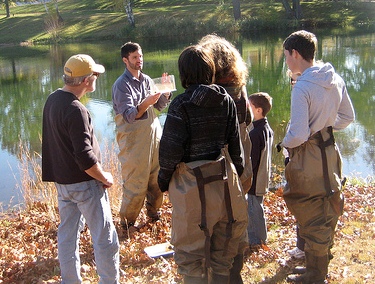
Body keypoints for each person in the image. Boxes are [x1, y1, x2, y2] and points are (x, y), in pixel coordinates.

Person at [158, 45, 248, 284]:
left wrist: (163, 181)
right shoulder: (226, 100)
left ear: (184, 74)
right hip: (222, 181)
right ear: (210, 70)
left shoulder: (181, 105)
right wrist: (237, 174)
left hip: (191, 187)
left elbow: (169, 152)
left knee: (190, 256)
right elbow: (235, 146)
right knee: (222, 252)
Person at [280, 30, 355, 283]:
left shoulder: (303, 87)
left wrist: (284, 144)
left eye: (287, 55)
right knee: (327, 202)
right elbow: (347, 118)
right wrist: (324, 124)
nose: (286, 61)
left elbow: (298, 133)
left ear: (296, 54)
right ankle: (316, 265)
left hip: (309, 155)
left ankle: (315, 273)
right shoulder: (334, 78)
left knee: (310, 206)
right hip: (330, 151)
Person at [42, 54, 120, 283]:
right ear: (86, 80)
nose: (96, 77)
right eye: (94, 74)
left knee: (67, 236)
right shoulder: (76, 109)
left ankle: (70, 280)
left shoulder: (52, 99)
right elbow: (85, 158)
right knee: (105, 238)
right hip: (85, 185)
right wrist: (104, 176)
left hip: (63, 184)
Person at [198, 34, 252, 284]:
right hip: (241, 156)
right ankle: (234, 274)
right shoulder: (239, 85)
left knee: (212, 223)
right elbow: (249, 120)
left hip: (216, 160)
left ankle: (216, 275)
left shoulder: (207, 90)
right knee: (236, 221)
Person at [112, 42, 171, 230]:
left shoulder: (146, 80)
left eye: (141, 56)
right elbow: (129, 116)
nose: (140, 61)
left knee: (156, 180)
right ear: (125, 60)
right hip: (133, 142)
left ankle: (154, 214)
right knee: (135, 184)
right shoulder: (121, 85)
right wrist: (145, 103)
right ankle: (127, 224)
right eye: (135, 57)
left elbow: (159, 106)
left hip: (153, 138)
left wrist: (165, 92)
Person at [246, 92, 273, 250]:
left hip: (255, 179)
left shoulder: (256, 133)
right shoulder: (265, 127)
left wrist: (245, 175)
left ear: (258, 110)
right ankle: (259, 238)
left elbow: (252, 161)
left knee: (254, 210)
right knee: (257, 207)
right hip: (263, 177)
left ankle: (257, 240)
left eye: (249, 106)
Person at [285, 70, 306, 260]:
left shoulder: (305, 93)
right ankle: (302, 246)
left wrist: (286, 144)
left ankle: (304, 248)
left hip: (301, 160)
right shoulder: (297, 96)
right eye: (291, 81)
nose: (293, 83)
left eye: (296, 79)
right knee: (298, 206)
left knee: (303, 205)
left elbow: (298, 134)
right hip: (292, 159)